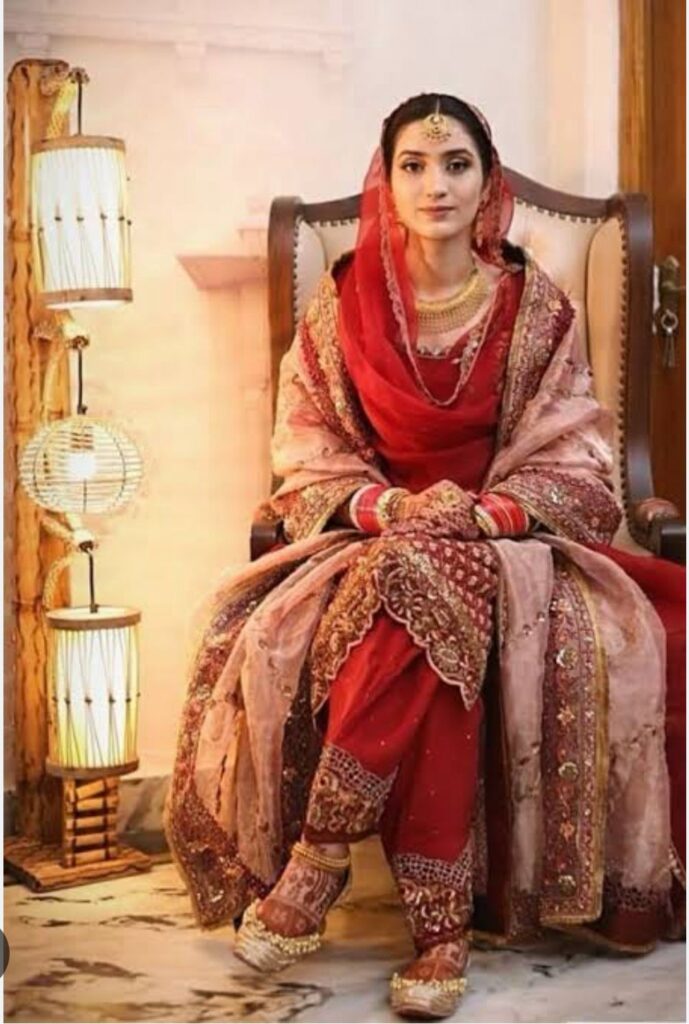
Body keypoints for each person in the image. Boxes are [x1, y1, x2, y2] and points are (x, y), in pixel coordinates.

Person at [164, 93, 685, 1021]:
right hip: (368, 533)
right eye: (413, 164)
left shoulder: (536, 305)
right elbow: (307, 440)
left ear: (487, 182)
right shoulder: (345, 299)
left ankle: (320, 860)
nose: (434, 184)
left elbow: (576, 450)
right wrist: (393, 507)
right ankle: (438, 933)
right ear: (386, 179)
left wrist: (484, 514)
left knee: (429, 578)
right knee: (412, 575)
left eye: (455, 165)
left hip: (509, 535)